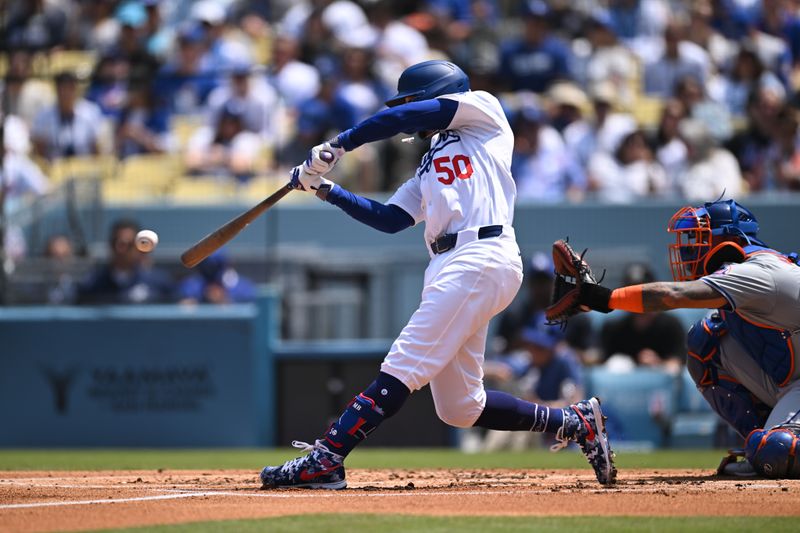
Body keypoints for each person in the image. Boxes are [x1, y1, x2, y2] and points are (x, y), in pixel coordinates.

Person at [258, 60, 616, 489]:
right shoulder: (429, 165)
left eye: (413, 99)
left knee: (401, 366)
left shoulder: (483, 112)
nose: (408, 109)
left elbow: (404, 116)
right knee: (461, 408)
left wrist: (339, 143)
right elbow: (390, 218)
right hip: (451, 264)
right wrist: (325, 189)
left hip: (480, 254)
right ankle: (575, 422)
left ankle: (325, 459)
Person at [551, 199, 800, 478]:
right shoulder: (748, 272)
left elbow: (673, 295)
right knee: (706, 340)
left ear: (729, 239)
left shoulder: (759, 271)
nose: (688, 250)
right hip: (789, 385)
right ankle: (764, 438)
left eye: (699, 239)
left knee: (778, 450)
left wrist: (602, 297)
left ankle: (773, 445)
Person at [600, 262, 686, 372]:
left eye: (643, 293)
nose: (637, 298)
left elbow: (678, 362)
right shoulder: (614, 328)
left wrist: (658, 363)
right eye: (631, 293)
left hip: (661, 384)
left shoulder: (671, 325)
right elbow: (605, 364)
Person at [77, 219, 174, 305]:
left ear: (139, 247)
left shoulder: (158, 282)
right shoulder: (93, 283)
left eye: (128, 244)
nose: (120, 249)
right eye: (115, 242)